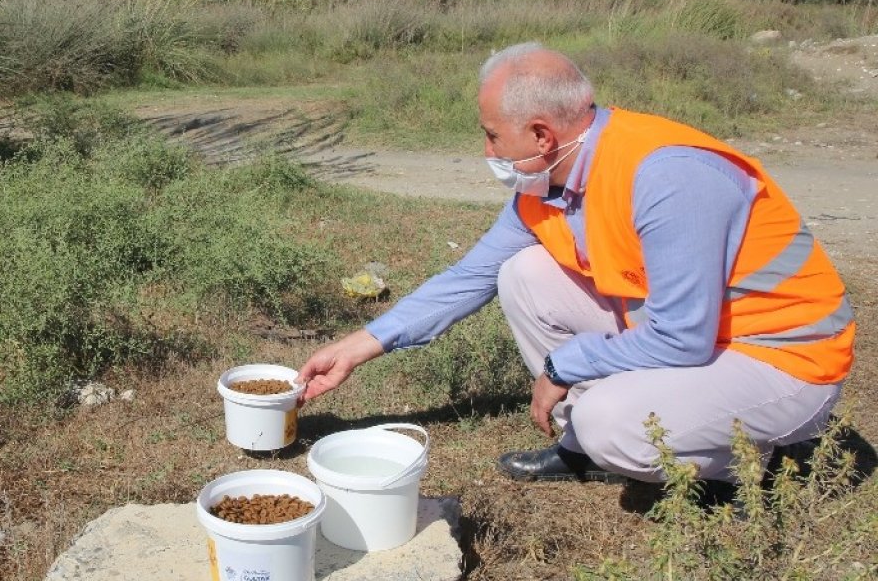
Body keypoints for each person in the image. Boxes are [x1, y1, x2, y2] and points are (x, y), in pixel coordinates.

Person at [296, 42, 853, 487]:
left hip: (783, 359)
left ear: (541, 134)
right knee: (523, 273)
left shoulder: (667, 176)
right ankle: (583, 444)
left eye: (493, 135)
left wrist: (565, 367)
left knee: (611, 422)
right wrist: (358, 345)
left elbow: (682, 338)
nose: (488, 151)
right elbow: (470, 276)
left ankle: (756, 460)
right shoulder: (546, 185)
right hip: (698, 337)